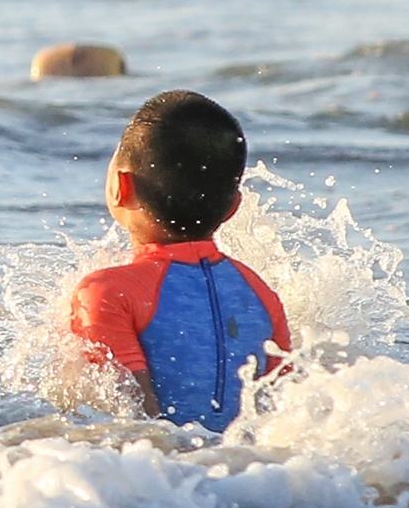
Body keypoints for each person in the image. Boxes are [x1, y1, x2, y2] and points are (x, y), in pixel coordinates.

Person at [70, 90, 290, 431]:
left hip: (168, 477)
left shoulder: (107, 292)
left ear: (119, 186)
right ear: (234, 207)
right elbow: (284, 410)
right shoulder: (260, 294)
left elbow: (133, 421)